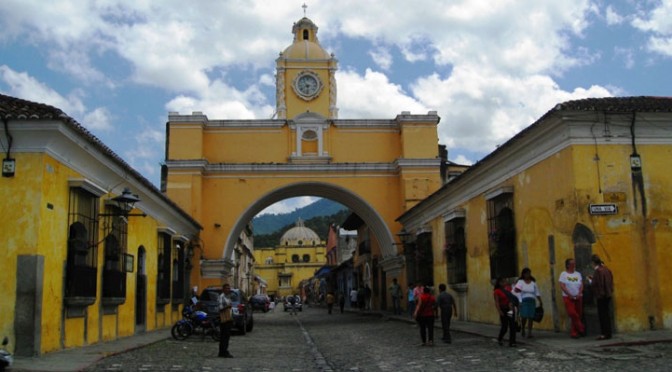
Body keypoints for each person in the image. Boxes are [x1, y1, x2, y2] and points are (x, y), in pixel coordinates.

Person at [588, 254, 614, 340]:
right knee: (607, 314)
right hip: (608, 294)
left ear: (593, 263)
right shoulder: (606, 269)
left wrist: (590, 281)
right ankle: (608, 332)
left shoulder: (598, 271)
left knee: (602, 315)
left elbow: (597, 284)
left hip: (601, 295)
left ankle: (604, 333)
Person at [559, 258, 585, 338]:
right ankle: (581, 328)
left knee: (578, 313)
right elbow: (562, 285)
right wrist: (569, 294)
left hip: (578, 296)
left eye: (574, 263)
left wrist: (579, 293)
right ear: (568, 265)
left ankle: (574, 332)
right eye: (572, 263)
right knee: (572, 313)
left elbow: (581, 285)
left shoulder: (578, 274)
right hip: (568, 297)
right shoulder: (563, 274)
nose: (574, 265)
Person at [514, 268, 542, 338]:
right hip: (524, 301)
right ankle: (523, 328)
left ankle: (529, 332)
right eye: (526, 273)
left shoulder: (533, 282)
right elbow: (517, 292)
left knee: (531, 317)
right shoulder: (520, 282)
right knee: (524, 316)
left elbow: (537, 292)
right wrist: (520, 301)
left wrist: (540, 301)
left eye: (529, 273)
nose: (528, 275)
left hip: (532, 301)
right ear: (523, 274)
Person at [493, 277, 517, 347]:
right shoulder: (497, 291)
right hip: (503, 309)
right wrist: (499, 311)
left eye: (505, 281)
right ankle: (500, 338)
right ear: (499, 283)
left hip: (509, 309)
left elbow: (512, 298)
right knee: (505, 326)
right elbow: (497, 302)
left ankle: (512, 342)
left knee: (512, 325)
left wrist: (511, 304)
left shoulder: (508, 289)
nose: (505, 283)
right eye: (503, 282)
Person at [217, 283, 234, 358]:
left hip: (228, 318)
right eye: (226, 288)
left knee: (226, 336)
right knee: (224, 336)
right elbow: (220, 308)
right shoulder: (221, 297)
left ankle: (223, 351)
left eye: (229, 288)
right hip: (224, 318)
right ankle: (223, 351)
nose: (228, 290)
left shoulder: (228, 296)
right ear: (223, 289)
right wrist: (227, 306)